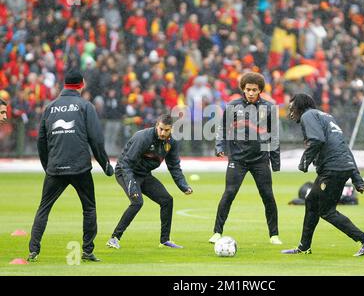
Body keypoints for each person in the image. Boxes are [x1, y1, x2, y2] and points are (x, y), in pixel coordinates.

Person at [28, 70, 114, 262]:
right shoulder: (85, 106)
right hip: (80, 168)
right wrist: (105, 164)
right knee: (89, 208)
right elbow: (96, 139)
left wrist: (48, 166)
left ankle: (33, 250)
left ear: (64, 84)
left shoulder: (50, 108)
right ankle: (87, 250)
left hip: (55, 168)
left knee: (44, 208)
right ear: (81, 84)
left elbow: (41, 141)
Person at [282, 93, 364, 256]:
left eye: (292, 109)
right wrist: (357, 178)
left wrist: (304, 161)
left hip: (332, 169)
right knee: (311, 200)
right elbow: (344, 148)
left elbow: (316, 140)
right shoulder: (326, 117)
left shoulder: (308, 115)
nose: (291, 113)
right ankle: (304, 247)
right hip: (340, 166)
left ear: (301, 107)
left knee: (327, 211)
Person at [209, 72, 282, 245]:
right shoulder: (233, 106)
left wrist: (275, 162)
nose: (250, 93)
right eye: (248, 89)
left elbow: (274, 136)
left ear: (260, 91)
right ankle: (217, 232)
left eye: (254, 90)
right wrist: (219, 147)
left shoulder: (269, 108)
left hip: (260, 160)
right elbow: (222, 129)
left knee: (268, 196)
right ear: (243, 88)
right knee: (229, 194)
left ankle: (274, 235)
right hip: (238, 159)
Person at [106, 114, 193, 250]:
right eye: (161, 129)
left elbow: (174, 167)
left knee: (167, 200)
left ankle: (164, 240)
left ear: (171, 130)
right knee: (137, 202)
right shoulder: (143, 137)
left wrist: (183, 186)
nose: (163, 133)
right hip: (125, 172)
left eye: (167, 130)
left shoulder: (172, 143)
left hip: (143, 175)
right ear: (156, 126)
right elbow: (126, 164)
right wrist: (132, 186)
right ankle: (114, 238)